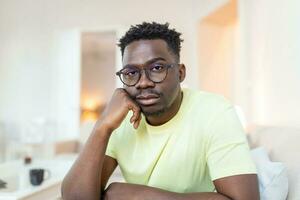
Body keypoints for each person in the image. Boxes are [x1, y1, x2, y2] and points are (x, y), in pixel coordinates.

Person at [62, 22, 260, 200]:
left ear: (180, 73)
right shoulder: (120, 120)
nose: (144, 82)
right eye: (131, 73)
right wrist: (102, 127)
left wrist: (137, 196)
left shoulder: (215, 112)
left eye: (157, 68)